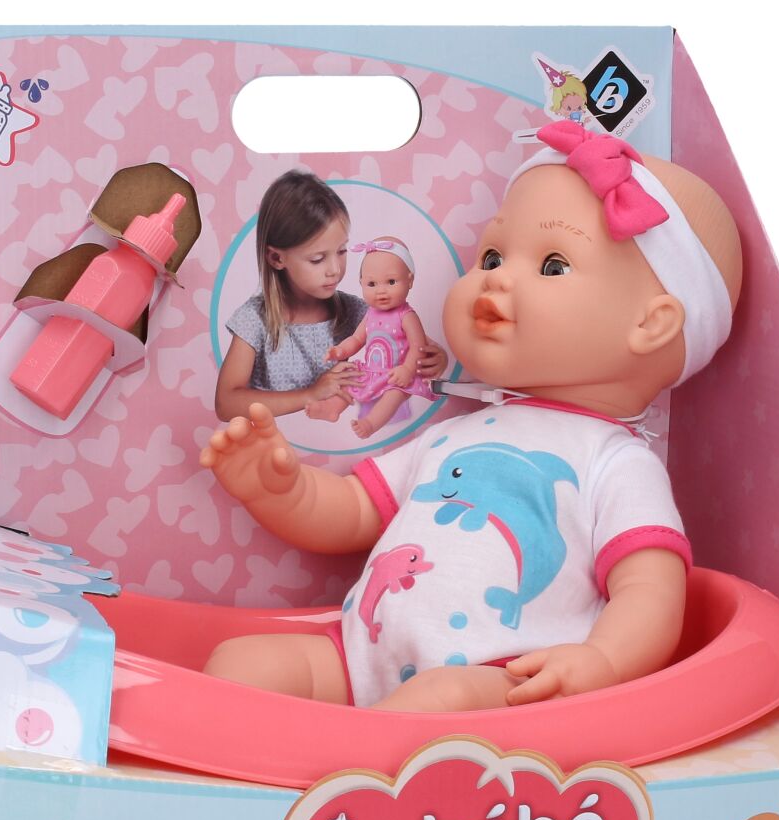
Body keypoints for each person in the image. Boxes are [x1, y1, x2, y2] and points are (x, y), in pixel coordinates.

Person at [199, 121, 742, 711]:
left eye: (552, 265)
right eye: (492, 255)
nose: (495, 277)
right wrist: (278, 491)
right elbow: (353, 511)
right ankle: (296, 755)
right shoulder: (453, 433)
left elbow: (649, 589)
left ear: (651, 325)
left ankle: (346, 755)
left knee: (442, 699)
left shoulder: (615, 461)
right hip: (360, 656)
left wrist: (602, 662)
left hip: (499, 678)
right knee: (238, 663)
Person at [214, 170, 445, 420]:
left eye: (342, 251)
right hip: (270, 439)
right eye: (317, 259)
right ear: (276, 258)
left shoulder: (355, 311)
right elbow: (226, 404)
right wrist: (311, 394)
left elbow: (418, 347)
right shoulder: (255, 319)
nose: (335, 269)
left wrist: (435, 360)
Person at [306, 237, 436, 439]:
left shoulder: (407, 316)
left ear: (409, 280)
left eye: (391, 282)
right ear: (361, 283)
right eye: (372, 284)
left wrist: (407, 369)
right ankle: (332, 407)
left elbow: (418, 345)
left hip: (397, 373)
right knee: (349, 378)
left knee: (394, 395)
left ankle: (370, 423)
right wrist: (340, 350)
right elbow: (357, 339)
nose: (381, 291)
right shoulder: (370, 314)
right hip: (372, 371)